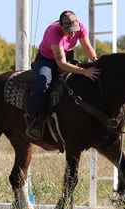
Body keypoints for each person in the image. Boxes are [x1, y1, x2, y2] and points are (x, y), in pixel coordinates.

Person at [26, 10, 100, 140]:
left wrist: (95, 60)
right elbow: (62, 64)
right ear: (61, 26)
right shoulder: (53, 32)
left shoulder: (81, 27)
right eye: (69, 30)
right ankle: (35, 120)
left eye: (74, 30)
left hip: (67, 56)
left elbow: (87, 47)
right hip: (47, 60)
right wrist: (84, 71)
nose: (72, 33)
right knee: (43, 82)